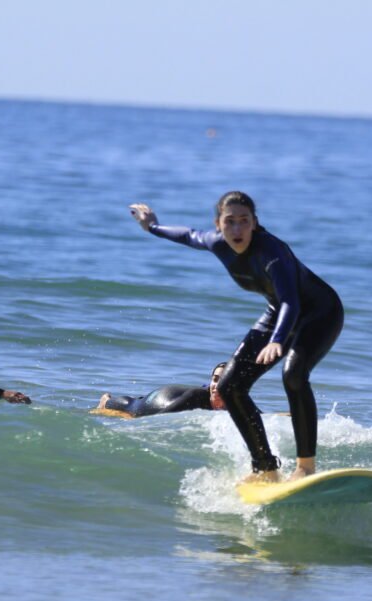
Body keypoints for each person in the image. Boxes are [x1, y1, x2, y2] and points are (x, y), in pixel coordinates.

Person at [129, 191, 343, 482]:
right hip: (277, 312)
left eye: (244, 221)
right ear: (218, 224)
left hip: (319, 312)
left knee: (293, 374)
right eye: (230, 222)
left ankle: (305, 467)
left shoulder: (273, 252)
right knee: (230, 387)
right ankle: (266, 468)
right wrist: (152, 226)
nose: (238, 229)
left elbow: (291, 300)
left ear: (255, 223)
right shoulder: (216, 243)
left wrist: (278, 339)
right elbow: (189, 235)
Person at [94, 362, 227, 418]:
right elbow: (161, 418)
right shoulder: (197, 396)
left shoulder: (236, 403)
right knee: (131, 407)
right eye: (215, 379)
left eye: (222, 380)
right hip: (151, 403)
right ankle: (105, 401)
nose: (216, 385)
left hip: (171, 396)